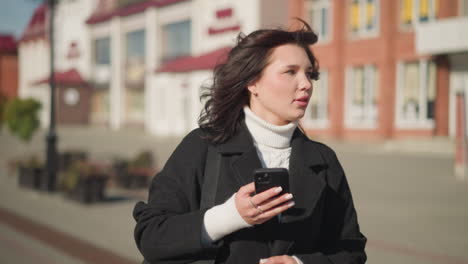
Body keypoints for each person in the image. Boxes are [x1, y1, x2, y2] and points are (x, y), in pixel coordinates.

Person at [133, 20, 367, 264]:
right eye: (290, 72)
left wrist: (301, 263)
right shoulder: (203, 146)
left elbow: (351, 250)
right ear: (252, 82)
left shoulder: (324, 160)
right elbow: (152, 237)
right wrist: (230, 215)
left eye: (309, 74)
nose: (306, 84)